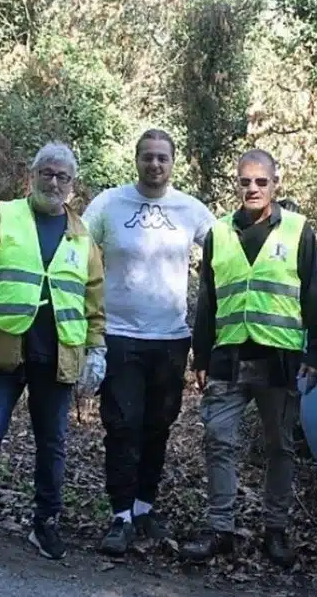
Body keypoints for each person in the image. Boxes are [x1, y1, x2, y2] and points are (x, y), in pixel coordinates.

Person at [0, 142, 106, 561]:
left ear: (73, 184)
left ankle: (45, 524)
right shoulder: (2, 216)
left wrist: (97, 349)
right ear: (31, 176)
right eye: (47, 173)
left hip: (58, 357)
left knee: (53, 444)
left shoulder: (81, 234)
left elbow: (94, 301)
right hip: (3, 353)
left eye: (62, 176)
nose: (54, 182)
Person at [183, 149, 317, 567]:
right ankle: (220, 529)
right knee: (218, 439)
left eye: (261, 182)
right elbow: (208, 300)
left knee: (280, 446)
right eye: (245, 181)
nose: (253, 189)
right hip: (228, 356)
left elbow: (313, 294)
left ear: (274, 184)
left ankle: (276, 530)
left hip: (280, 359)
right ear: (237, 183)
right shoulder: (219, 233)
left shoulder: (299, 231)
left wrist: (315, 352)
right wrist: (200, 354)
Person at [82, 129, 216, 556]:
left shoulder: (190, 210)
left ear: (173, 163)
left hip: (171, 339)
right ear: (136, 160)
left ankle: (144, 508)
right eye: (148, 157)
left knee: (158, 426)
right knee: (122, 426)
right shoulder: (108, 204)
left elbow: (226, 254)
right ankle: (120, 515)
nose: (155, 165)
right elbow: (77, 254)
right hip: (119, 335)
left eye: (162, 158)